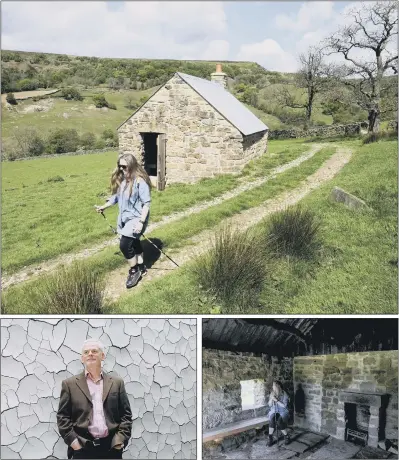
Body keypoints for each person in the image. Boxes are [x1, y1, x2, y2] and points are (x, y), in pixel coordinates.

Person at [57, 339, 132, 459]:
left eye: (94, 351)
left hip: (111, 448)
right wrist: (74, 443)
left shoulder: (117, 383)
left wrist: (119, 442)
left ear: (102, 356)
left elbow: (126, 416)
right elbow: (62, 417)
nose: (90, 354)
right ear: (82, 358)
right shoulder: (69, 384)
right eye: (86, 352)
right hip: (83, 448)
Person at [95, 153, 152, 289]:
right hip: (125, 218)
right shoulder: (124, 181)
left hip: (137, 218)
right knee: (135, 241)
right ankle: (141, 266)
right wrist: (104, 206)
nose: (122, 169)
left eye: (124, 166)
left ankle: (134, 271)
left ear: (132, 166)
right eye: (120, 166)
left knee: (125, 245)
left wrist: (140, 223)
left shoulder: (140, 182)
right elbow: (116, 197)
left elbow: (146, 204)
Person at [267, 380, 291, 446]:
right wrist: (272, 399)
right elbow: (269, 405)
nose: (273, 387)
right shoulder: (272, 393)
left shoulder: (284, 393)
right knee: (272, 420)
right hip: (274, 410)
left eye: (274, 385)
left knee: (279, 421)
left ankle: (286, 436)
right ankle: (270, 437)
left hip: (283, 411)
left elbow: (284, 406)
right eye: (273, 385)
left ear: (278, 386)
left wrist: (277, 400)